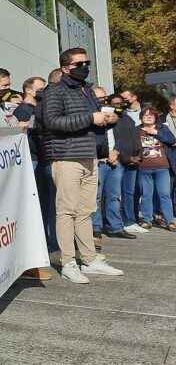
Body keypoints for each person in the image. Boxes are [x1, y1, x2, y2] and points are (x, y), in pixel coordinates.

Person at [41, 47, 124, 284]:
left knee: (86, 211)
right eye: (79, 64)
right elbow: (53, 122)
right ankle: (68, 261)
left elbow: (92, 122)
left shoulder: (86, 90)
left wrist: (106, 120)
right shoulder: (54, 91)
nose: (85, 67)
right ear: (66, 68)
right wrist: (91, 118)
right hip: (66, 157)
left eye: (86, 62)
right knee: (66, 211)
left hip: (89, 156)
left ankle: (89, 258)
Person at [13, 76, 55, 280]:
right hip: (32, 160)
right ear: (30, 91)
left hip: (45, 158)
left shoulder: (44, 107)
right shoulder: (22, 108)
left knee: (47, 205)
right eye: (40, 89)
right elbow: (20, 122)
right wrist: (29, 104)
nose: (44, 92)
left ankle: (48, 243)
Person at [91, 87, 136, 240]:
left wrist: (116, 151)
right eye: (99, 97)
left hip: (115, 160)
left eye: (105, 97)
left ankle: (115, 226)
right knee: (96, 197)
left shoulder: (116, 113)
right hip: (98, 160)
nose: (103, 99)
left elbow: (124, 135)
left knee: (114, 195)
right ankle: (95, 228)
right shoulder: (91, 114)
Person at [136, 107, 176, 231]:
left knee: (164, 194)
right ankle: (147, 220)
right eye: (145, 115)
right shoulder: (136, 130)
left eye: (151, 115)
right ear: (141, 117)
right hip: (144, 168)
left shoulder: (162, 128)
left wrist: (156, 133)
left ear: (155, 118)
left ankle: (169, 221)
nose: (148, 117)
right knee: (146, 195)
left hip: (162, 167)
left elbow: (172, 141)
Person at [119, 90, 146, 230]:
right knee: (127, 191)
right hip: (126, 157)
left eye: (125, 98)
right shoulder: (123, 115)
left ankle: (138, 215)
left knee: (140, 189)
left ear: (135, 97)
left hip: (142, 156)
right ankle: (129, 219)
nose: (124, 101)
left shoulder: (146, 111)